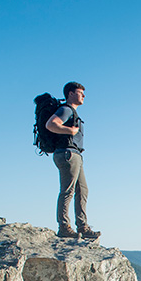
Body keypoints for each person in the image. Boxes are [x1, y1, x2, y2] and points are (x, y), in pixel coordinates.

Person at [47, 81, 100, 239]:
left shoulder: (71, 111)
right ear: (70, 94)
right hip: (68, 154)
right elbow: (51, 124)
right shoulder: (65, 109)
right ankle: (64, 226)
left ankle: (82, 226)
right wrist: (70, 130)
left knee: (82, 189)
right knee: (68, 190)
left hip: (74, 154)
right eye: (80, 92)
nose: (83, 96)